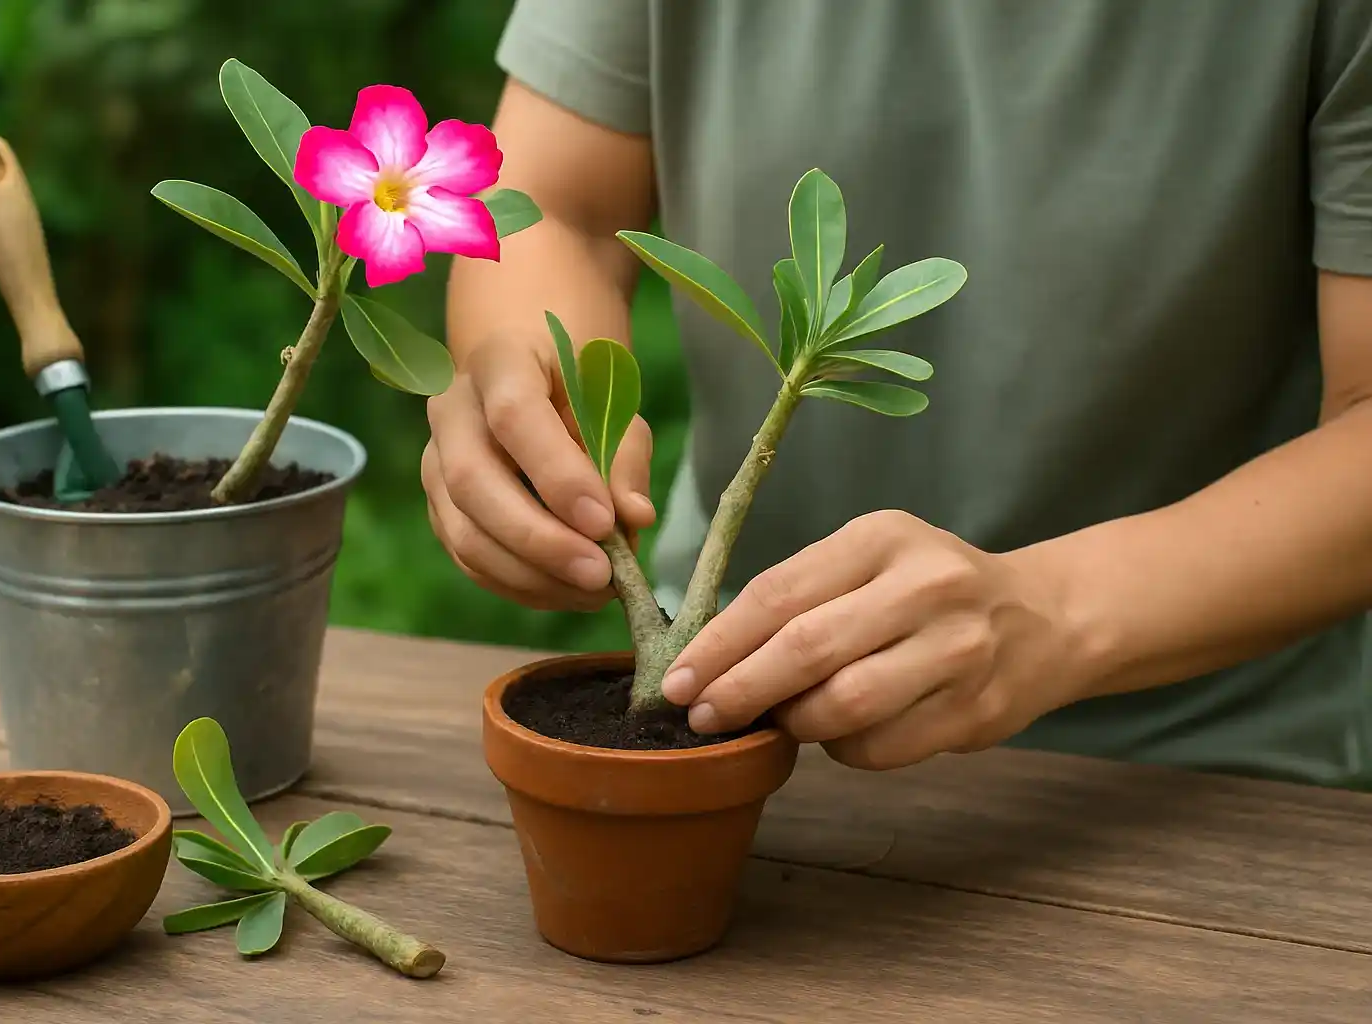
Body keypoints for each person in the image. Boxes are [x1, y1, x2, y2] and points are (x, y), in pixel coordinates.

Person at [422, 0, 1372, 788]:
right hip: (728, 703)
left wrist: (1059, 611)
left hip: (1208, 770)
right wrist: (534, 400)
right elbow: (558, 207)